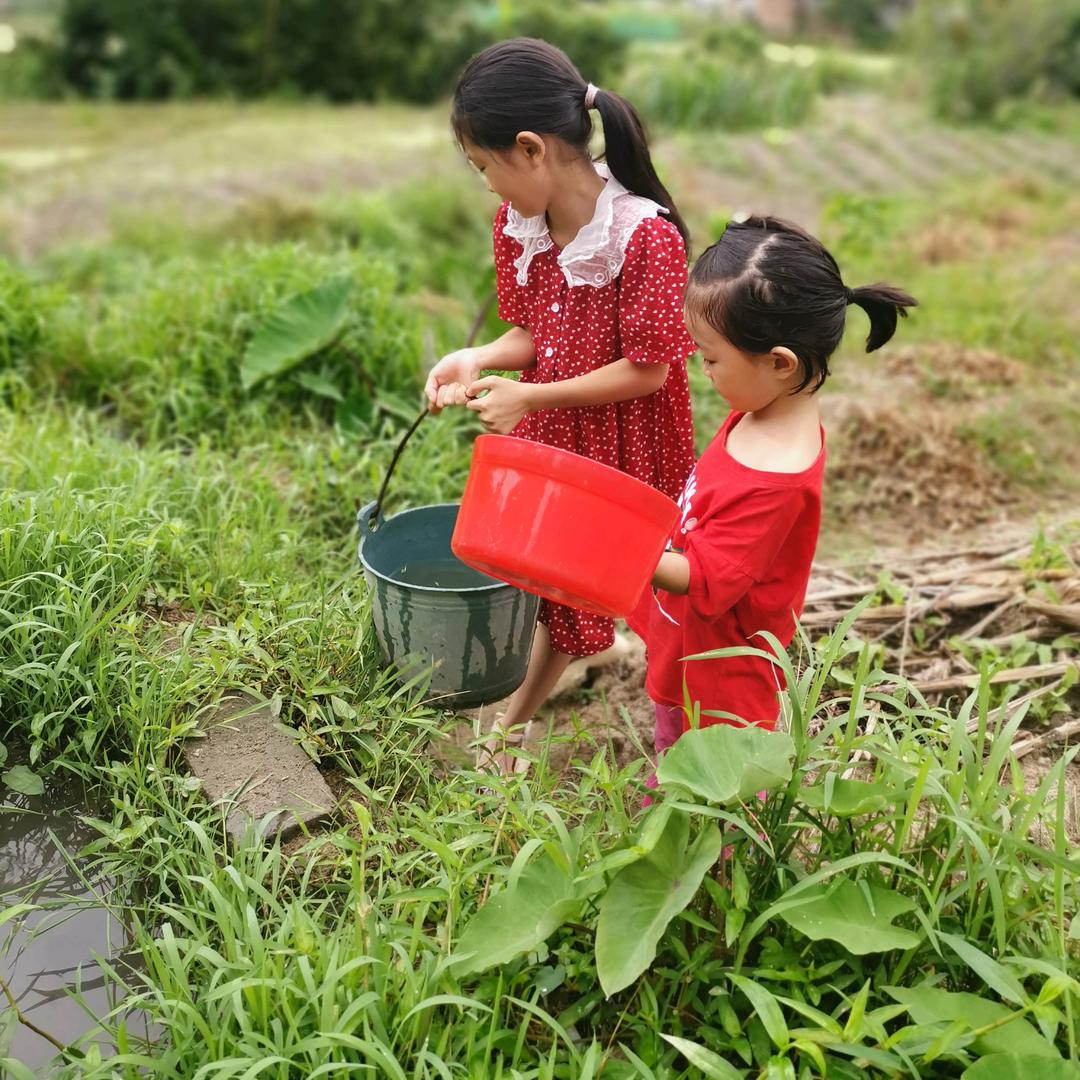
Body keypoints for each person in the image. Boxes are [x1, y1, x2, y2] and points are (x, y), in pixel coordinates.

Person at [425, 38, 697, 773]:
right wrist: (480, 358)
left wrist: (530, 396)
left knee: (586, 578)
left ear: (530, 149)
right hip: (555, 432)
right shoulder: (523, 227)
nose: (489, 189)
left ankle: (509, 732)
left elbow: (648, 372)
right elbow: (533, 332)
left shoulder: (644, 237)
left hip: (622, 442)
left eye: (485, 168)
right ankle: (560, 676)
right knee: (555, 577)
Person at [633, 216, 916, 779]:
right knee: (676, 753)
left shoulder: (774, 475)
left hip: (720, 675)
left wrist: (622, 549)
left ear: (780, 363)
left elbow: (706, 578)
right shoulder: (763, 411)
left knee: (721, 780)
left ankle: (706, 830)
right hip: (691, 643)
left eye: (711, 357)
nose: (700, 367)